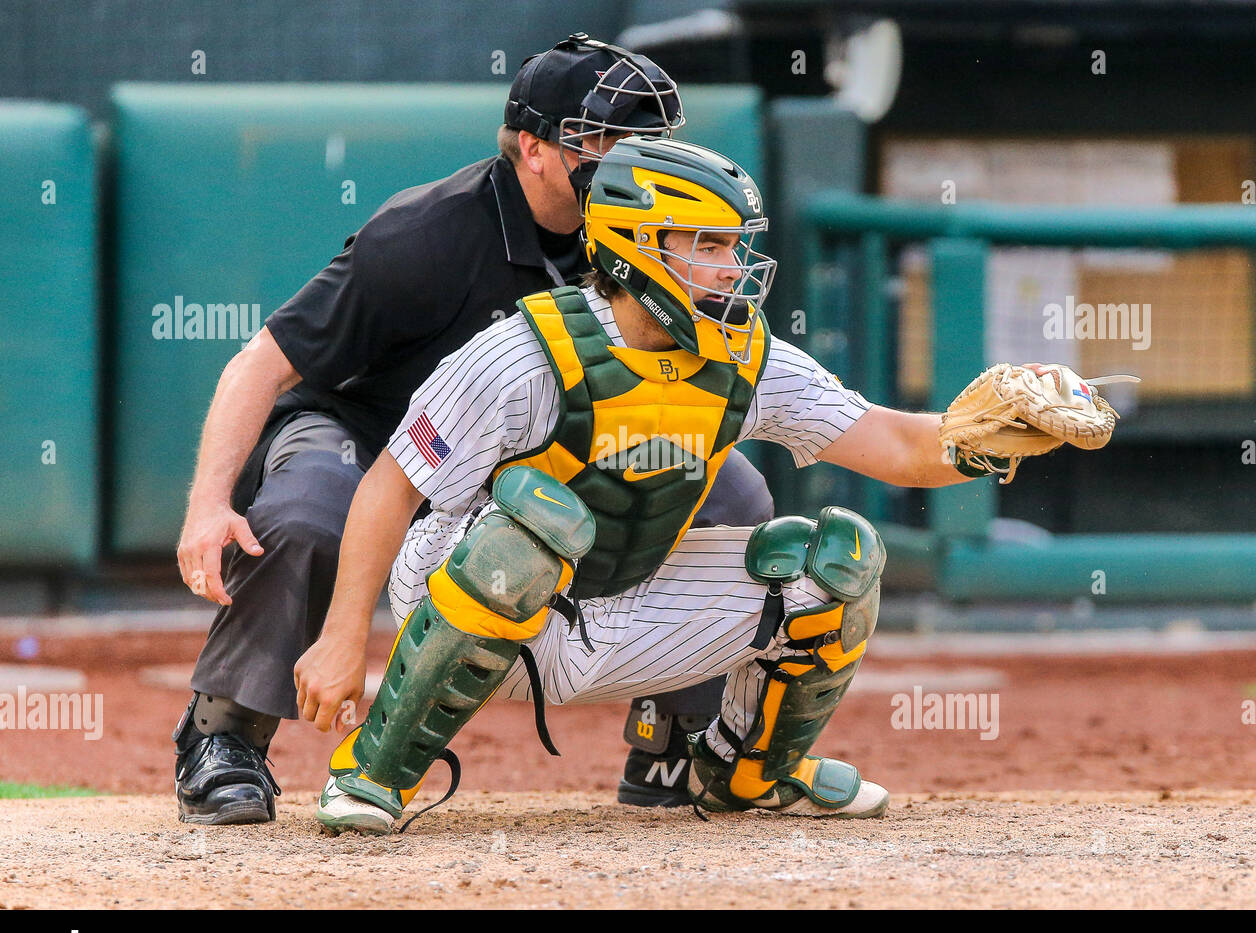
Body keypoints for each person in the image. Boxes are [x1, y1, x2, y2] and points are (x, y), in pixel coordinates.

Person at [292, 134, 1010, 835]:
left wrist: (1000, 434)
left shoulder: (745, 355)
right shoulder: (524, 354)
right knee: (523, 539)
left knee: (837, 564)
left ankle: (751, 772)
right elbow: (390, 486)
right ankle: (375, 771)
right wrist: (343, 636)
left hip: (625, 594)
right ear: (636, 243)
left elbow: (896, 446)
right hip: (476, 600)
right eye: (706, 245)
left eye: (734, 245)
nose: (733, 268)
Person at [170, 33, 764, 825]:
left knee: (729, 488)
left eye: (649, 141)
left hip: (533, 459)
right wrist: (208, 502)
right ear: (534, 148)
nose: (633, 160)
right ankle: (224, 734)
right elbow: (261, 364)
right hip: (371, 440)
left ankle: (679, 732)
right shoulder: (426, 237)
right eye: (604, 140)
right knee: (310, 509)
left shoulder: (657, 237)